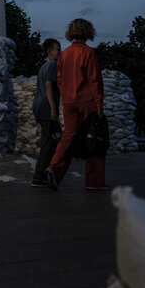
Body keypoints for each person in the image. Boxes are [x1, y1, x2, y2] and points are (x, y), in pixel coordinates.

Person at [45, 18, 109, 191]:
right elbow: (94, 80)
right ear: (88, 32)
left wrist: (66, 99)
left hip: (69, 103)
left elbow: (59, 80)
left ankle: (54, 168)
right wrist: (99, 105)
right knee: (95, 138)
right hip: (87, 102)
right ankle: (94, 182)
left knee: (68, 138)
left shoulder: (64, 54)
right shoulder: (88, 52)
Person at [30, 38, 62, 187]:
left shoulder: (43, 66)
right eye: (58, 49)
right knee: (49, 142)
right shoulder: (53, 65)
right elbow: (49, 86)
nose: (60, 52)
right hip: (46, 106)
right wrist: (53, 107)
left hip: (39, 105)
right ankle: (39, 175)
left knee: (51, 139)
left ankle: (46, 171)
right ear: (49, 51)